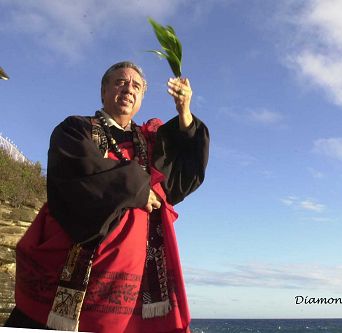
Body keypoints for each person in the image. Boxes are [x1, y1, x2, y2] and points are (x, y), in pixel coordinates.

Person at [4, 61, 209, 332]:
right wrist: (137, 187)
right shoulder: (77, 128)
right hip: (79, 264)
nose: (128, 89)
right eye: (120, 82)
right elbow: (77, 170)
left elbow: (183, 172)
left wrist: (184, 111)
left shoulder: (150, 140)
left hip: (137, 279)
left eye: (136, 85)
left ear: (142, 98)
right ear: (103, 92)